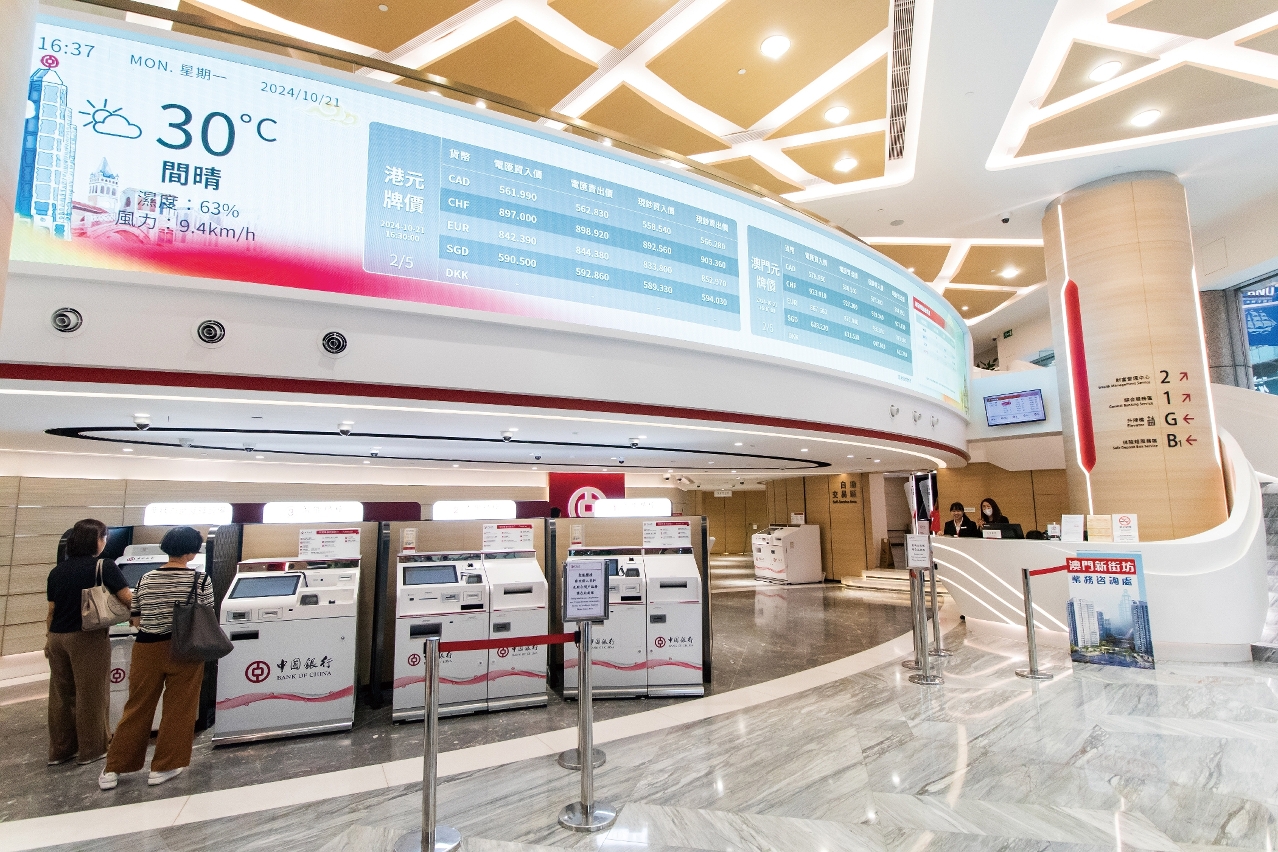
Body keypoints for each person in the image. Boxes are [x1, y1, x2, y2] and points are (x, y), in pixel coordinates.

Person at [100, 526, 211, 791]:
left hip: (147, 648)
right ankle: (163, 767)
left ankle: (113, 768)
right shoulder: (200, 580)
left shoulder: (146, 578)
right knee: (179, 708)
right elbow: (206, 616)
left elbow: (135, 618)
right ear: (192, 552)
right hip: (185, 650)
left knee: (137, 706)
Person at [45, 519, 132, 767]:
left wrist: (48, 641)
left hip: (57, 637)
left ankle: (61, 751)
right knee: (91, 693)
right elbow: (128, 599)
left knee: (61, 696)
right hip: (86, 637)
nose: (105, 542)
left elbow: (51, 611)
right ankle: (93, 749)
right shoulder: (104, 566)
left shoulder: (57, 571)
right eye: (104, 537)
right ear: (96, 540)